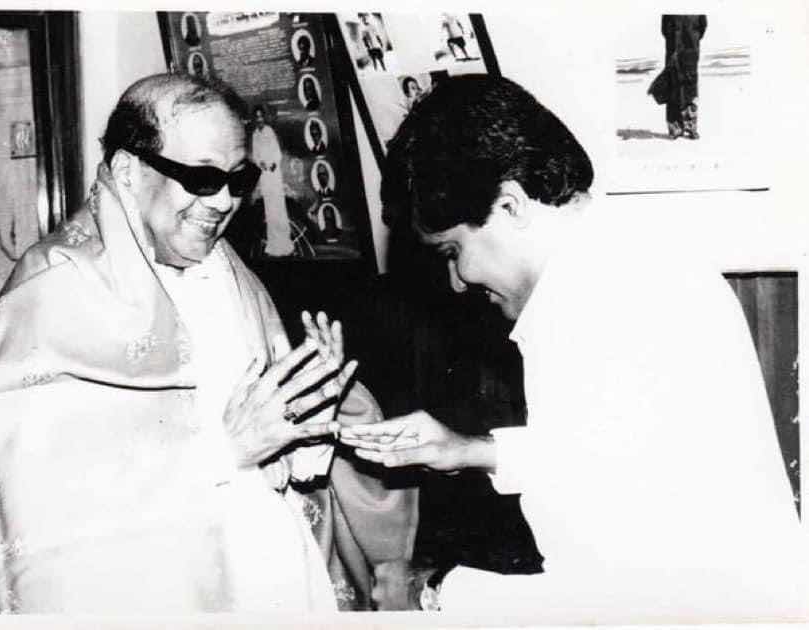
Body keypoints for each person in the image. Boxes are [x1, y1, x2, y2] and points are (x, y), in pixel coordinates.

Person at [340, 75, 807, 623]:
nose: (458, 282)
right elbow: (608, 457)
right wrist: (470, 450)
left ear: (510, 205)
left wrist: (433, 591)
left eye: (453, 251)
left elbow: (607, 595)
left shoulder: (596, 312)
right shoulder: (619, 262)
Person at [0, 73, 417, 614]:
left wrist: (310, 411)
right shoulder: (54, 286)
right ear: (127, 171)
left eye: (238, 180)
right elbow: (36, 503)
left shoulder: (228, 270)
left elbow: (280, 457)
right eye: (201, 178)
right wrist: (226, 450)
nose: (224, 202)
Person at [251, 105, 293, 256]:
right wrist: (260, 163)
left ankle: (285, 245)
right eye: (257, 117)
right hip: (265, 176)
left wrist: (273, 163)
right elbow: (255, 155)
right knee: (270, 211)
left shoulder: (269, 131)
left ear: (264, 117)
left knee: (279, 209)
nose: (259, 120)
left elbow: (277, 153)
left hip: (274, 175)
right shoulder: (255, 134)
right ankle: (274, 246)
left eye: (261, 116)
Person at [661, 14, 707, 139]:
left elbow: (703, 25)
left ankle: (689, 126)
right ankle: (678, 128)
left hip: (689, 49)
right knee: (675, 86)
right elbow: (665, 29)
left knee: (689, 87)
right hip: (676, 49)